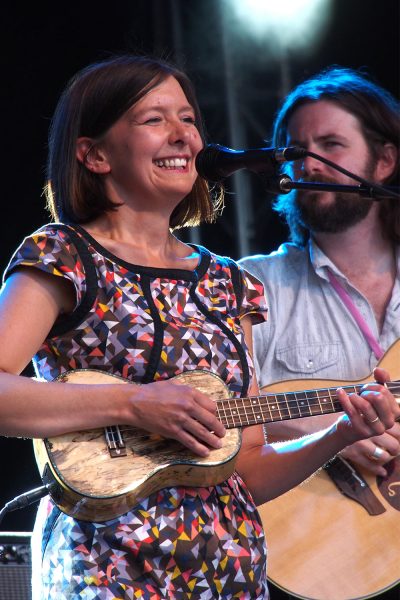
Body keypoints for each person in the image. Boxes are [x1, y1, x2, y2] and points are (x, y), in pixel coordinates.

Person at [0, 56, 398, 600]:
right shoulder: (62, 254)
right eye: (153, 119)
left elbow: (249, 470)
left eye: (188, 119)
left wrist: (341, 434)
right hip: (106, 568)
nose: (184, 136)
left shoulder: (229, 282)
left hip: (229, 570)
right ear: (93, 155)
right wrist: (132, 404)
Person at [239, 66, 400, 477]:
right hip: (317, 535)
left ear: (384, 162)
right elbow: (212, 414)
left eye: (331, 145)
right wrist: (332, 432)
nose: (309, 165)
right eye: (296, 151)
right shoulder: (249, 284)